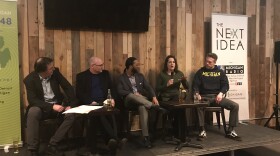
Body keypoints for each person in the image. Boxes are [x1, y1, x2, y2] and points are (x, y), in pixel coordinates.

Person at [24, 57, 79, 156]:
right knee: (33, 111)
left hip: (58, 105)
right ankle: (33, 149)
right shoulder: (30, 79)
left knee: (71, 114)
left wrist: (71, 105)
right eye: (50, 68)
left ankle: (53, 144)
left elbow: (68, 87)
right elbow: (33, 100)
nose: (53, 69)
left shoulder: (55, 73)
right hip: (42, 107)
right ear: (42, 71)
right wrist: (51, 106)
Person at [76, 56, 126, 155]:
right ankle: (114, 141)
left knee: (108, 112)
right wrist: (90, 101)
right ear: (92, 66)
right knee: (100, 115)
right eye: (100, 65)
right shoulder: (81, 76)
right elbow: (79, 93)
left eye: (102, 65)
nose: (102, 67)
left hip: (104, 102)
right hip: (90, 104)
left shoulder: (105, 74)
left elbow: (112, 88)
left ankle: (109, 142)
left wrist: (112, 98)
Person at [193, 53, 241, 141]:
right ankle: (202, 130)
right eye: (206, 61)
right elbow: (195, 85)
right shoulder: (200, 72)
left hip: (217, 97)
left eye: (209, 62)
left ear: (214, 63)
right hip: (204, 97)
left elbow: (225, 85)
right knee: (198, 105)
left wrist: (221, 93)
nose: (207, 63)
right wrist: (197, 93)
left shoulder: (220, 72)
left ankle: (231, 131)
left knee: (235, 106)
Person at [117, 57, 160, 148]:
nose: (138, 66)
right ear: (130, 66)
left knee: (142, 107)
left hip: (141, 101)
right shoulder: (122, 78)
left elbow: (148, 87)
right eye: (136, 65)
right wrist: (133, 94)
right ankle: (152, 106)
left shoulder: (140, 76)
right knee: (131, 95)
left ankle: (146, 137)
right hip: (128, 101)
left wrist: (154, 97)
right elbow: (120, 91)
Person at [156, 55, 190, 139]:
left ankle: (182, 133)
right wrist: (166, 85)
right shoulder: (162, 74)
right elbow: (157, 88)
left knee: (181, 108)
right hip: (165, 99)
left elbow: (186, 87)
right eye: (170, 62)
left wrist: (184, 81)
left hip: (176, 97)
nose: (172, 64)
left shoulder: (179, 74)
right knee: (177, 109)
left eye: (173, 62)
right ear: (166, 64)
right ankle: (177, 132)